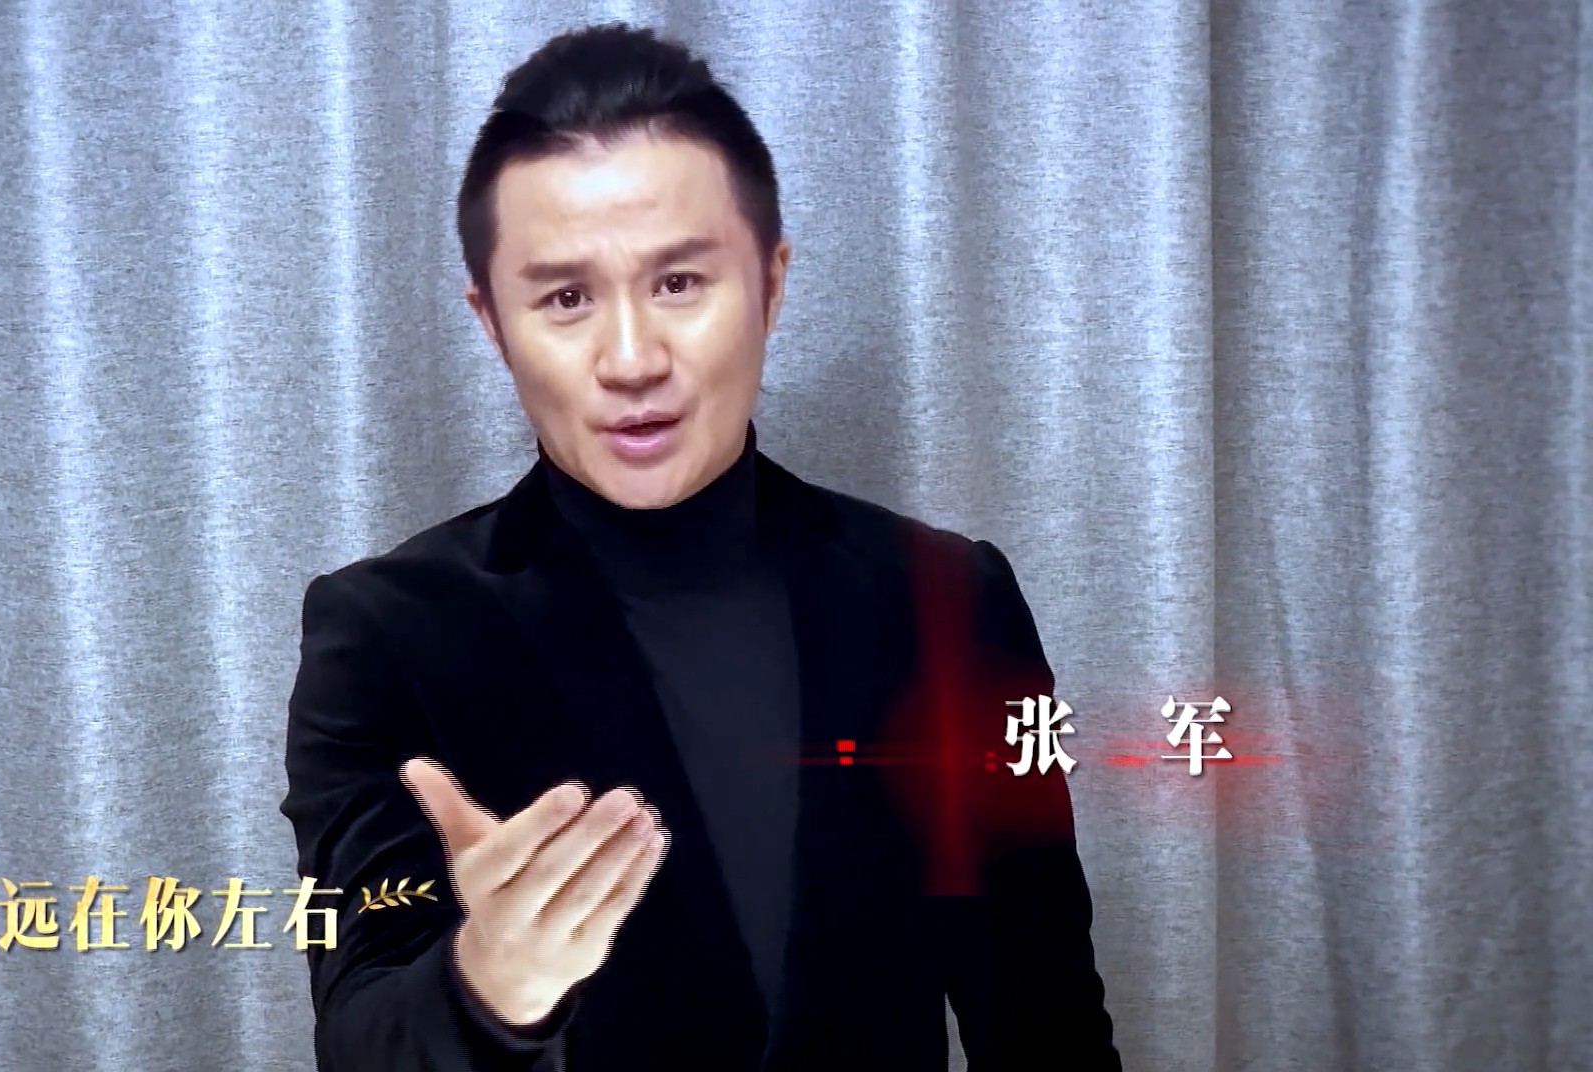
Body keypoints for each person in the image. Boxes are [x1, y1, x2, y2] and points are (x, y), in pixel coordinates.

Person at [281, 23, 1120, 1071]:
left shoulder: (951, 601)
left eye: (679, 282)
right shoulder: (385, 634)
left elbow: (1047, 1023)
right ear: (492, 322)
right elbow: (360, 1036)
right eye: (566, 298)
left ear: (771, 281)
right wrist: (488, 988)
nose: (632, 358)